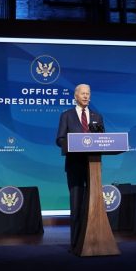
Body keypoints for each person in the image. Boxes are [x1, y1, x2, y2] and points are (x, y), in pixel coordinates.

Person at [55, 83, 105, 251]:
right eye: (82, 93)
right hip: (75, 165)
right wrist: (73, 145)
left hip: (94, 166)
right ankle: (76, 244)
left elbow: (104, 141)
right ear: (75, 96)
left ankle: (95, 241)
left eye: (88, 93)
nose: (85, 96)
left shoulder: (97, 116)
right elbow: (60, 139)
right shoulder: (67, 116)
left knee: (94, 204)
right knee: (76, 204)